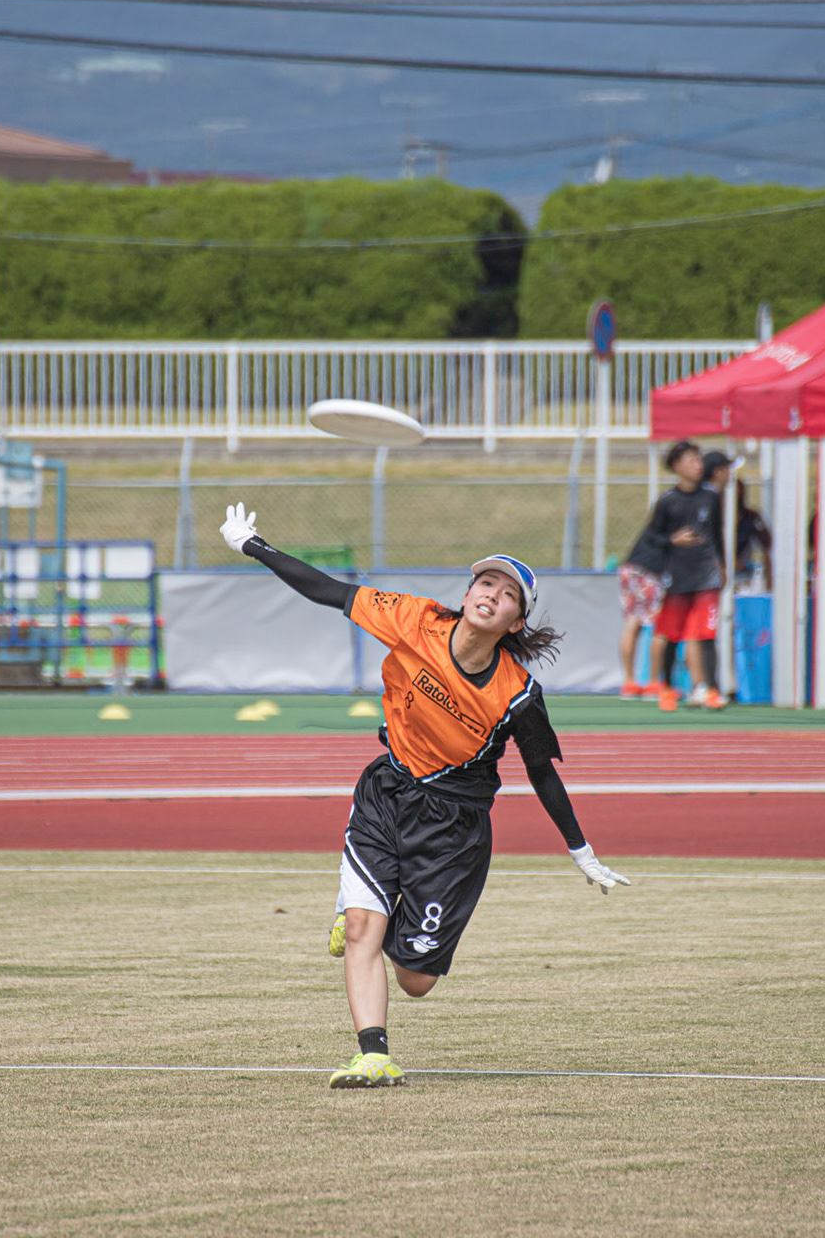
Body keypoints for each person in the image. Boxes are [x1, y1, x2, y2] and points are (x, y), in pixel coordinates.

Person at [219, 502, 630, 1088]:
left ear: (516, 622)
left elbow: (542, 773)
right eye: (485, 583)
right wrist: (252, 545)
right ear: (467, 593)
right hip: (387, 792)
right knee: (361, 931)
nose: (492, 595)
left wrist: (579, 849)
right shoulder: (414, 620)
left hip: (453, 829)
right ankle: (374, 1054)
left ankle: (375, 910)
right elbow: (329, 591)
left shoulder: (518, 694)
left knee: (416, 979)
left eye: (508, 595)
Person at [638, 442, 725, 711]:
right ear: (677, 466)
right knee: (671, 633)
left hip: (706, 576)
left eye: (699, 460)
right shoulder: (667, 501)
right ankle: (667, 687)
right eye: (691, 460)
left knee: (706, 633)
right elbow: (651, 536)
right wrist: (672, 540)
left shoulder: (711, 497)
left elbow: (718, 534)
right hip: (677, 577)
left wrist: (722, 565)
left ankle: (709, 688)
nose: (697, 465)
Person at [615, 511, 671, 699]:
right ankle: (654, 682)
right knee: (660, 625)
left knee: (632, 622)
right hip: (650, 573)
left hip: (630, 569)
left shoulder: (661, 519)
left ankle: (629, 682)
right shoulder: (678, 523)